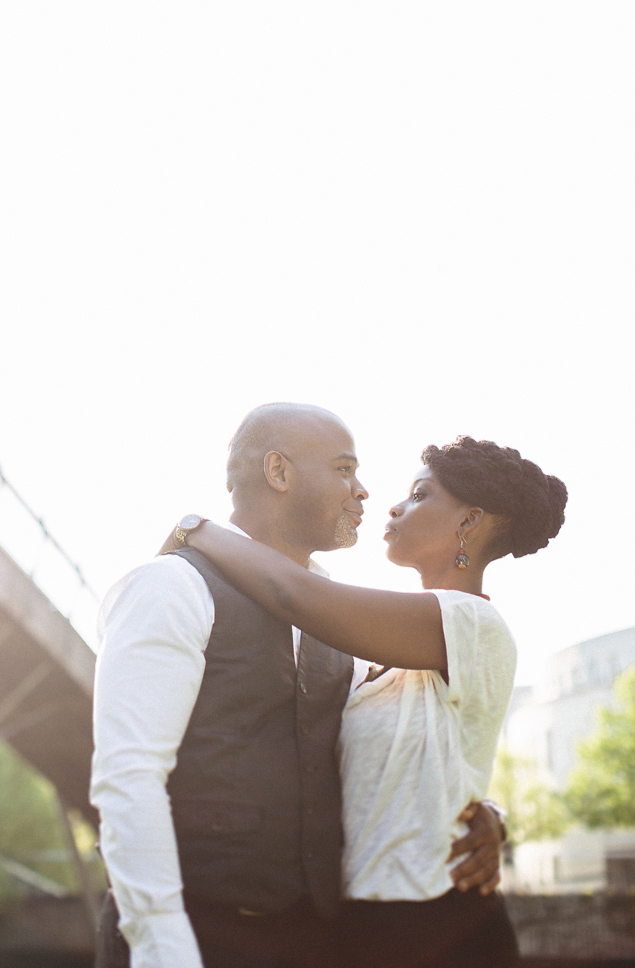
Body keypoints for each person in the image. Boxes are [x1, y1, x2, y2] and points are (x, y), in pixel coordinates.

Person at [90, 404, 504, 968]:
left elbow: (399, 748)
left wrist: (486, 812)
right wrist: (163, 946)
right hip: (195, 938)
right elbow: (128, 777)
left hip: (315, 942)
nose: (363, 492)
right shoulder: (171, 586)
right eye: (343, 469)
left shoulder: (340, 622)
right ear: (279, 472)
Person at [173, 430, 568, 968]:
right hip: (357, 928)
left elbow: (294, 594)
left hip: (443, 924)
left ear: (469, 522)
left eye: (420, 494)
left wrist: (197, 531)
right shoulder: (370, 660)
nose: (395, 506)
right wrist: (487, 812)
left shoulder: (474, 624)